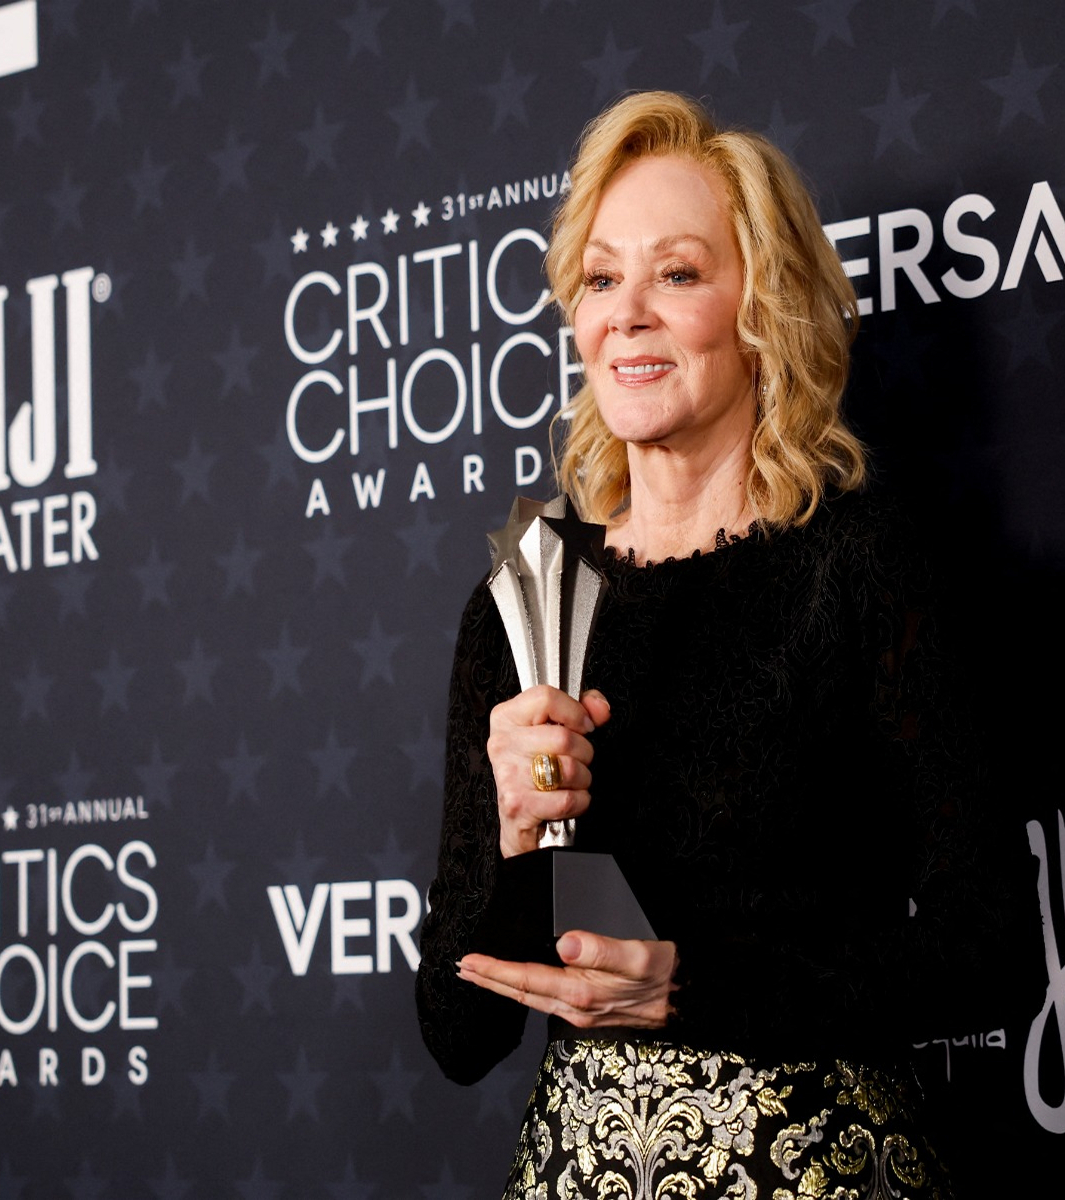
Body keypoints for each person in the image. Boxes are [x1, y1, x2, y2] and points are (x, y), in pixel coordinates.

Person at [416, 91, 1026, 1198]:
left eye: (678, 274)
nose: (628, 315)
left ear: (766, 307)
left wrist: (692, 988)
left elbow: (989, 947)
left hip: (812, 1170)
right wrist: (509, 840)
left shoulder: (860, 564)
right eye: (602, 279)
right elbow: (457, 1037)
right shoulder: (524, 597)